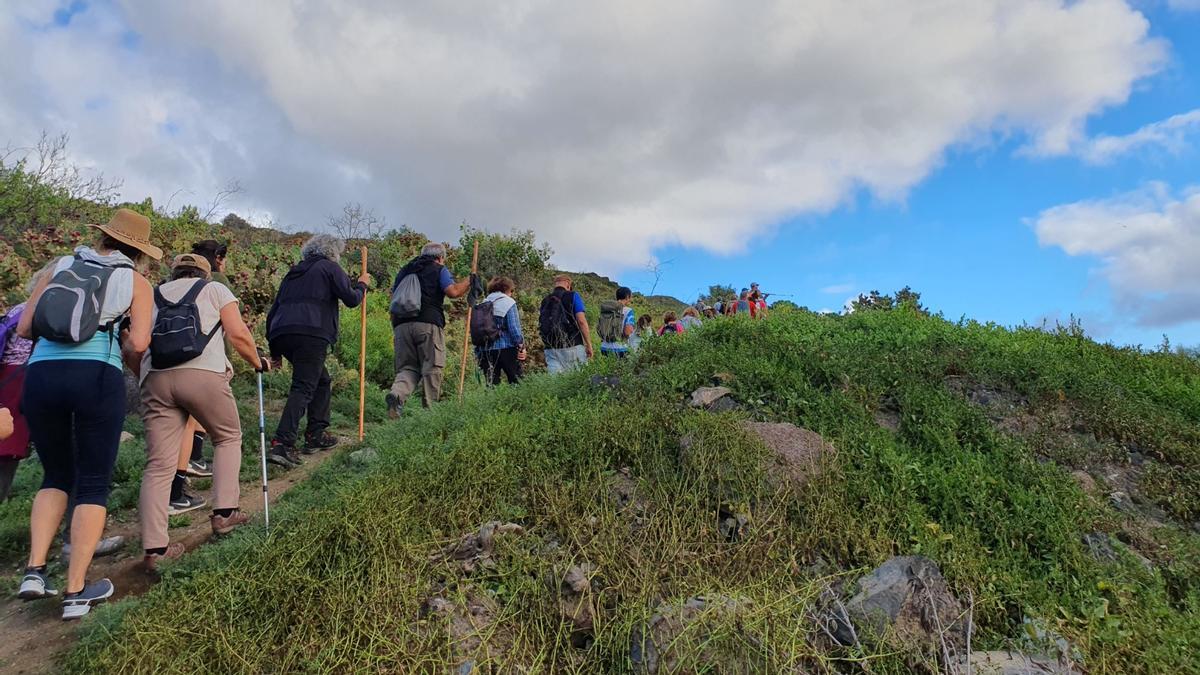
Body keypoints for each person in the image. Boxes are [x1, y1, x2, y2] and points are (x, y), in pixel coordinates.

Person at [15, 208, 159, 620]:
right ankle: (76, 590)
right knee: (93, 482)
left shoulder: (60, 266)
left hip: (41, 375)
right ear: (139, 252)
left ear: (103, 238)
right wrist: (126, 337)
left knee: (55, 475)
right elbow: (139, 345)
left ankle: (34, 571)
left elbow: (25, 328)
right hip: (95, 375)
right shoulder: (135, 281)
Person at [134, 254, 267, 571]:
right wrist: (257, 362)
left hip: (155, 377)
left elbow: (134, 345)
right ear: (205, 274)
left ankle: (155, 549)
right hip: (203, 375)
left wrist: (145, 379)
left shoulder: (152, 293)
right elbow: (237, 334)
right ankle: (225, 514)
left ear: (174, 273)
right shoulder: (215, 290)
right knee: (227, 436)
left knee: (158, 465)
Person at [266, 234, 369, 468]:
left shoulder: (293, 273)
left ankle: (316, 433)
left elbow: (274, 310)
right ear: (333, 252)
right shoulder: (329, 268)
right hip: (311, 332)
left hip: (282, 333)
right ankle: (282, 443)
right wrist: (362, 284)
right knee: (303, 386)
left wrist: (274, 351)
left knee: (321, 380)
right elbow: (352, 299)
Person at [386, 243, 471, 417]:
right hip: (428, 324)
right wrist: (470, 280)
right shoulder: (438, 269)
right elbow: (453, 292)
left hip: (401, 326)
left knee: (407, 368)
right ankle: (430, 415)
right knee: (432, 368)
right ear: (440, 257)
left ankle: (397, 395)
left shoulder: (405, 270)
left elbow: (393, 297)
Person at [0, 263, 55, 501]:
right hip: (23, 381)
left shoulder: (16, 310)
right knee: (7, 450)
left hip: (5, 379)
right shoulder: (48, 311)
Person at [474, 276, 525, 386]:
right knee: (517, 383)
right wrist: (521, 347)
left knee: (491, 385)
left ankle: (492, 403)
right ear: (507, 289)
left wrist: (477, 352)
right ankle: (518, 403)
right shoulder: (509, 303)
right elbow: (514, 329)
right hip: (506, 348)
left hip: (485, 350)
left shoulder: (482, 303)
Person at [538, 274, 592, 373]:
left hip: (551, 348)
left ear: (555, 284)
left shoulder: (545, 300)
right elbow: (581, 321)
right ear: (568, 284)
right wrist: (588, 344)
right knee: (578, 381)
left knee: (556, 384)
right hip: (573, 344)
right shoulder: (573, 295)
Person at [598, 286, 636, 358]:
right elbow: (627, 331)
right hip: (620, 348)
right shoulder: (628, 310)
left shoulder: (607, 309)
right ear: (627, 297)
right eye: (630, 297)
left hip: (604, 347)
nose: (630, 299)